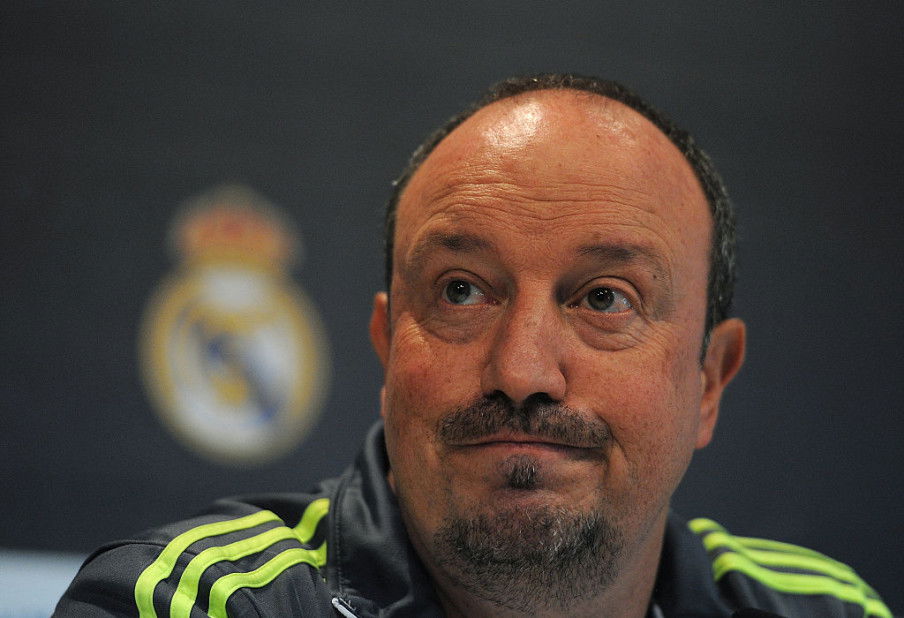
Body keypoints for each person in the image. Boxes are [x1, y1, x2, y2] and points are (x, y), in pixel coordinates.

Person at [55, 74, 891, 618]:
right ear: (387, 348)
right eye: (461, 290)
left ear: (709, 380)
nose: (522, 371)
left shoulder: (826, 612)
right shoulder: (185, 606)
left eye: (605, 299)